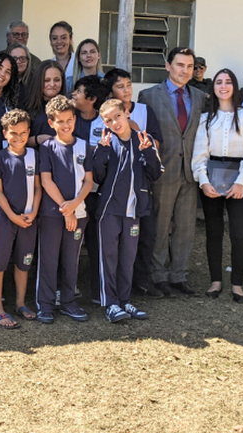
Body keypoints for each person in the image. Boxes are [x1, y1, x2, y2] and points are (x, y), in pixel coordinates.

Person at [138, 47, 205, 297]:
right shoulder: (149, 96)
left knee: (186, 228)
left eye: (189, 66)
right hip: (162, 172)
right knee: (159, 225)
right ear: (168, 66)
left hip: (189, 173)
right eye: (180, 65)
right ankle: (158, 275)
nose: (185, 70)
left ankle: (179, 275)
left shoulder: (200, 97)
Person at [191, 69, 243, 304]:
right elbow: (200, 153)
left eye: (228, 81)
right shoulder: (205, 119)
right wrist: (204, 181)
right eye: (219, 82)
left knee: (240, 234)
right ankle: (216, 281)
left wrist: (241, 182)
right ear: (213, 88)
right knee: (213, 232)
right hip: (212, 176)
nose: (223, 86)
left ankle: (237, 284)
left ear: (235, 86)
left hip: (240, 176)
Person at [92, 99, 163, 322]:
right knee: (109, 257)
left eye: (117, 116)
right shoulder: (105, 142)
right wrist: (101, 153)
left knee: (127, 258)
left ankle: (124, 300)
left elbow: (156, 173)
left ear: (127, 114)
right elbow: (97, 177)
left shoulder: (143, 139)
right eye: (108, 120)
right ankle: (111, 304)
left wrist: (148, 152)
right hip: (110, 210)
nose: (115, 122)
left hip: (133, 211)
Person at [104, 68, 164, 298]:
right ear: (111, 92)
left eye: (128, 84)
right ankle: (114, 288)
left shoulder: (144, 110)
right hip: (116, 186)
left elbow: (157, 141)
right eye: (120, 86)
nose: (126, 89)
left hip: (142, 180)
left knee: (145, 234)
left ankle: (142, 280)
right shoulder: (107, 116)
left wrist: (139, 135)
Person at [36, 95, 93, 324]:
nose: (66, 125)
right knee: (48, 259)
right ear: (51, 123)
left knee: (71, 258)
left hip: (79, 212)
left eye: (69, 120)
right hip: (53, 213)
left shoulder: (84, 146)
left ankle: (69, 301)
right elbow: (46, 181)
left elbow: (89, 181)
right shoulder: (47, 147)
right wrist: (66, 209)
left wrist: (75, 205)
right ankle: (45, 304)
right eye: (60, 121)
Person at [0, 109, 41, 328]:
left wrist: (34, 212)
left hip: (29, 219)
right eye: (13, 133)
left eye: (23, 133)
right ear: (4, 133)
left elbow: (38, 187)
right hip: (5, 219)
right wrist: (11, 216)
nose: (18, 138)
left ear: (29, 132)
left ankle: (20, 303)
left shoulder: (34, 155)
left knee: (24, 262)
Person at [71, 75, 107, 304]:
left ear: (92, 99)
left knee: (96, 242)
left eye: (78, 92)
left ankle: (98, 290)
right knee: (70, 243)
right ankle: (67, 289)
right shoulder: (68, 118)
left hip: (97, 193)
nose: (73, 95)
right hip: (71, 194)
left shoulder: (104, 122)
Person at [27, 60, 67, 147]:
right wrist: (39, 139)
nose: (52, 84)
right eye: (46, 80)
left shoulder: (69, 108)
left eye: (57, 80)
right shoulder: (27, 106)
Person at [49, 21, 76, 93]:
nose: (59, 41)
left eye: (63, 38)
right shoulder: (48, 66)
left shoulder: (79, 63)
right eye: (55, 38)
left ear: (70, 39)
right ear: (50, 42)